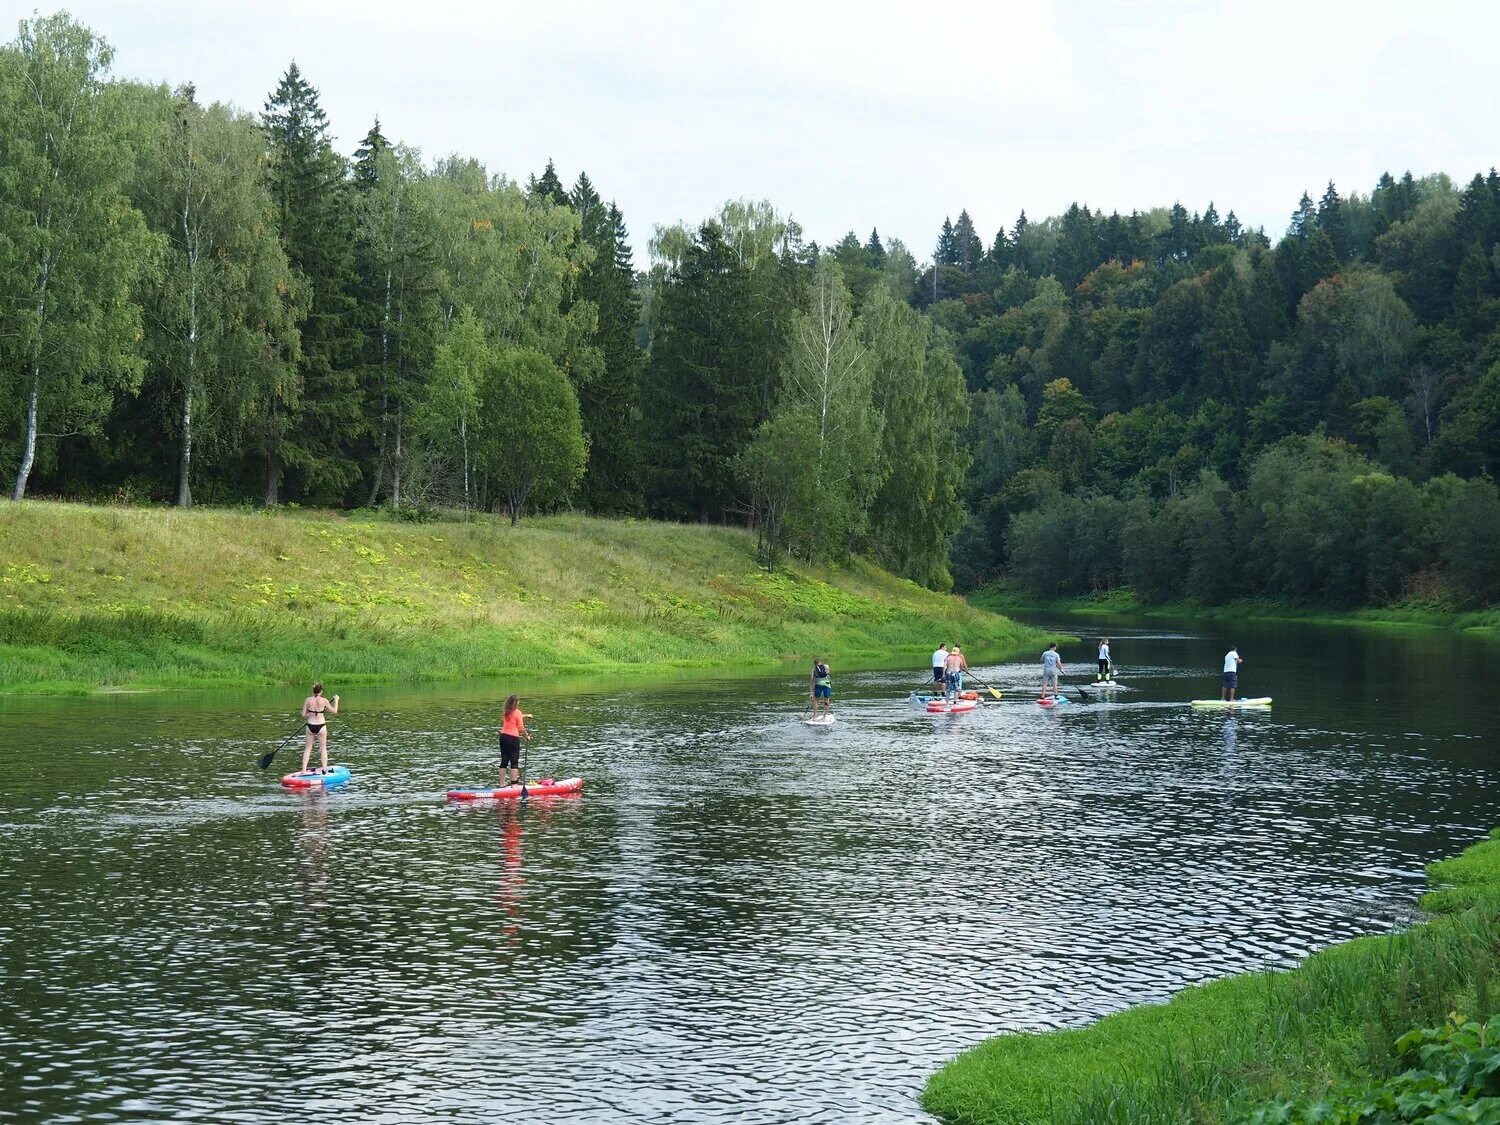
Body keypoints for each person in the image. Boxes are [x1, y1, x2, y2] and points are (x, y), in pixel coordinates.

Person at [300, 683, 340, 773]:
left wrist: (310, 714)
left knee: (308, 748)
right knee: (323, 748)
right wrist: (336, 700)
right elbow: (335, 711)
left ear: (313, 691)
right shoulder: (324, 701)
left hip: (310, 725)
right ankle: (324, 769)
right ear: (321, 691)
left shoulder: (308, 700)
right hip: (321, 726)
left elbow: (303, 714)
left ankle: (303, 770)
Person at [500, 694, 532, 785]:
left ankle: (502, 784)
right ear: (516, 703)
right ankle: (514, 785)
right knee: (514, 761)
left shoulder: (506, 711)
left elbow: (514, 718)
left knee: (504, 761)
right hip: (513, 738)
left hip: (503, 737)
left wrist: (526, 716)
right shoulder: (517, 712)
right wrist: (527, 736)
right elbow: (521, 727)